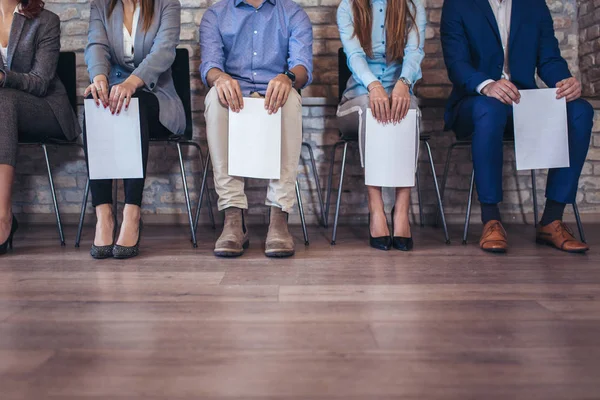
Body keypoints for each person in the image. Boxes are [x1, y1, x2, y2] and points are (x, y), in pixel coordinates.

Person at [440, 0, 593, 254]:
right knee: (490, 109)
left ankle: (552, 219)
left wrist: (565, 81)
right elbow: (457, 64)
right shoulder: (458, 4)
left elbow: (549, 58)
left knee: (580, 111)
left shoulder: (534, 5)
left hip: (523, 103)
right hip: (475, 104)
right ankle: (491, 219)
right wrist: (487, 85)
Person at [199, 0, 313, 258]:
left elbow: (302, 65)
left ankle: (279, 216)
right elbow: (210, 65)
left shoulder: (293, 13)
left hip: (274, 95)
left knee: (292, 99)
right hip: (233, 96)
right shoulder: (216, 15)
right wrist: (220, 78)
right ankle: (233, 217)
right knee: (213, 99)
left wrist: (289, 78)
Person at [84, 0, 184, 259]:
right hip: (114, 89)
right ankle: (104, 215)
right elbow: (96, 46)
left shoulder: (167, 5)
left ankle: (132, 213)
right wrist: (99, 80)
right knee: (93, 104)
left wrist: (130, 83)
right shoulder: (101, 6)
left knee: (133, 106)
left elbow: (163, 51)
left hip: (155, 94)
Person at [336, 0, 426, 251]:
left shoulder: (412, 5)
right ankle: (375, 209)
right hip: (356, 100)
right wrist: (374, 86)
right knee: (370, 108)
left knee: (409, 109)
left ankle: (401, 210)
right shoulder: (348, 7)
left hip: (398, 94)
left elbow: (415, 51)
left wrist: (404, 83)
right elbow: (353, 56)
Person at [0, 0, 80, 256]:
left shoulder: (45, 20)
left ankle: (2, 217)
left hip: (45, 108)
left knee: (3, 100)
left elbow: (40, 82)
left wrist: (3, 78)